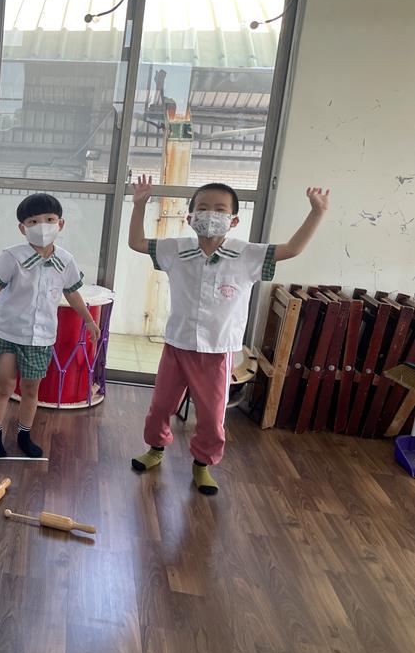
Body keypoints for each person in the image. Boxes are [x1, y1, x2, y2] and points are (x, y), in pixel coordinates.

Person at [127, 176, 329, 495]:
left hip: (217, 350)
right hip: (178, 345)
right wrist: (139, 205)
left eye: (220, 209)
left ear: (233, 220)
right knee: (161, 405)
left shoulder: (247, 255)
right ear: (190, 217)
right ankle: (155, 449)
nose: (211, 214)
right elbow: (136, 243)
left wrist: (317, 213)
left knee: (211, 416)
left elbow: (292, 249)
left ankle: (202, 464)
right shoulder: (176, 250)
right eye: (203, 208)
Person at [0, 193, 100, 458]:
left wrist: (89, 320)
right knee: (5, 385)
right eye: (33, 221)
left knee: (31, 389)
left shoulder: (66, 260)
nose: (42, 226)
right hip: (10, 333)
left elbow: (72, 293)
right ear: (23, 228)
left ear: (60, 224)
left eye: (49, 219)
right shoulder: (12, 256)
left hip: (42, 337)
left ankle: (24, 434)